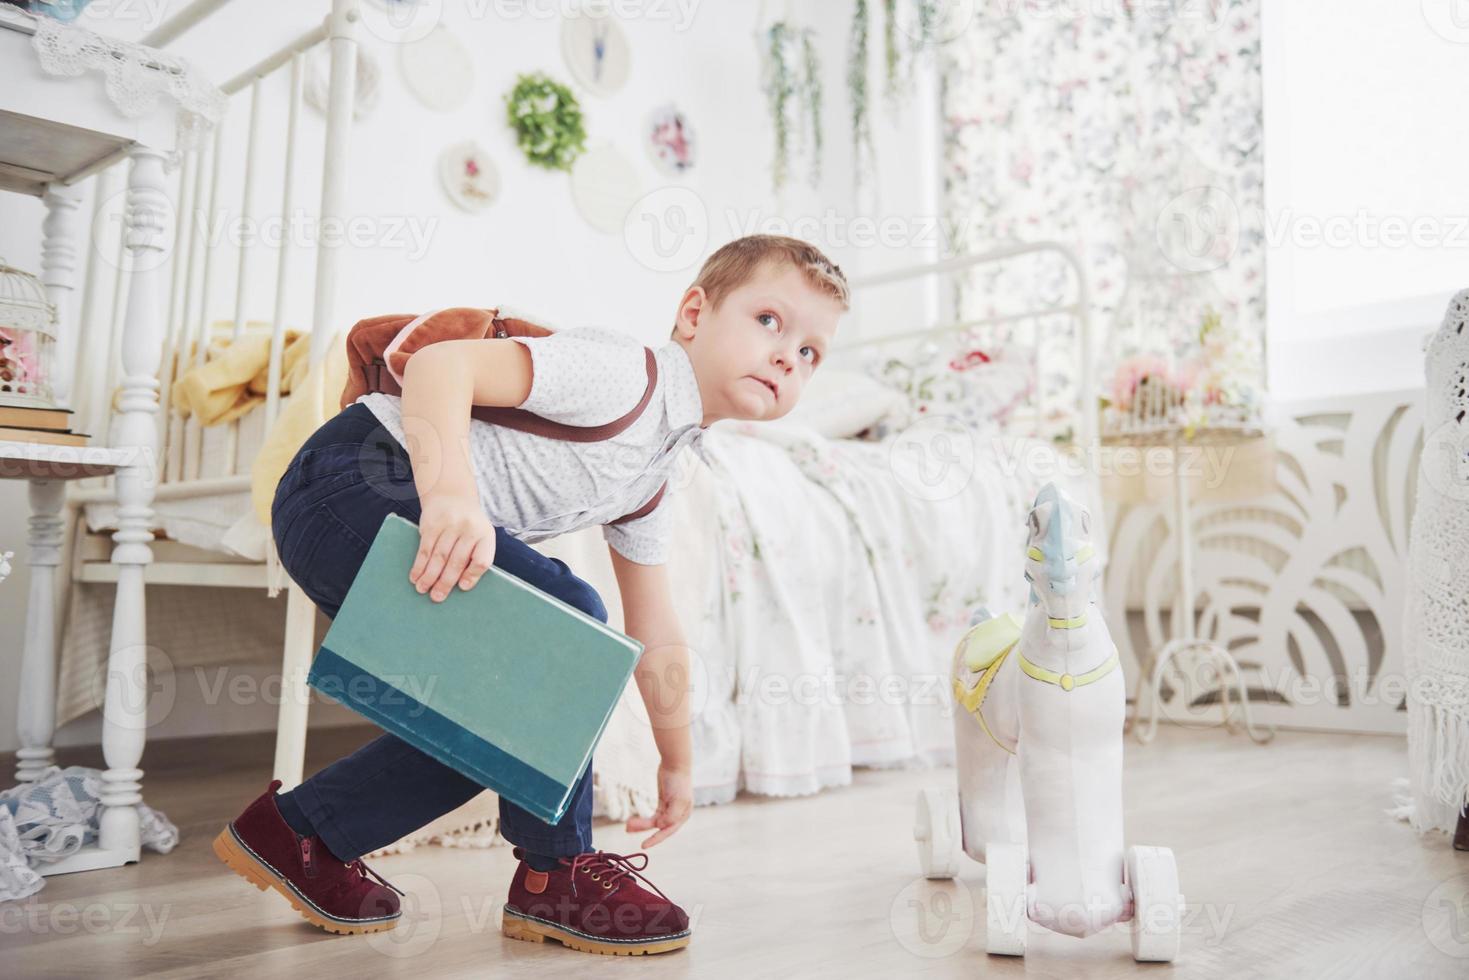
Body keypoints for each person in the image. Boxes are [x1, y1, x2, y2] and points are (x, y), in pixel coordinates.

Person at [211, 234, 849, 956]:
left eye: (809, 354)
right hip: (347, 482)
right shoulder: (623, 373)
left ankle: (301, 833)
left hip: (376, 516)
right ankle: (557, 872)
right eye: (769, 321)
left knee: (508, 723)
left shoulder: (656, 474)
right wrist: (451, 495)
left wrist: (677, 759)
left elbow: (657, 629)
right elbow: (440, 366)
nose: (784, 356)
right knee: (569, 621)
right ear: (694, 314)